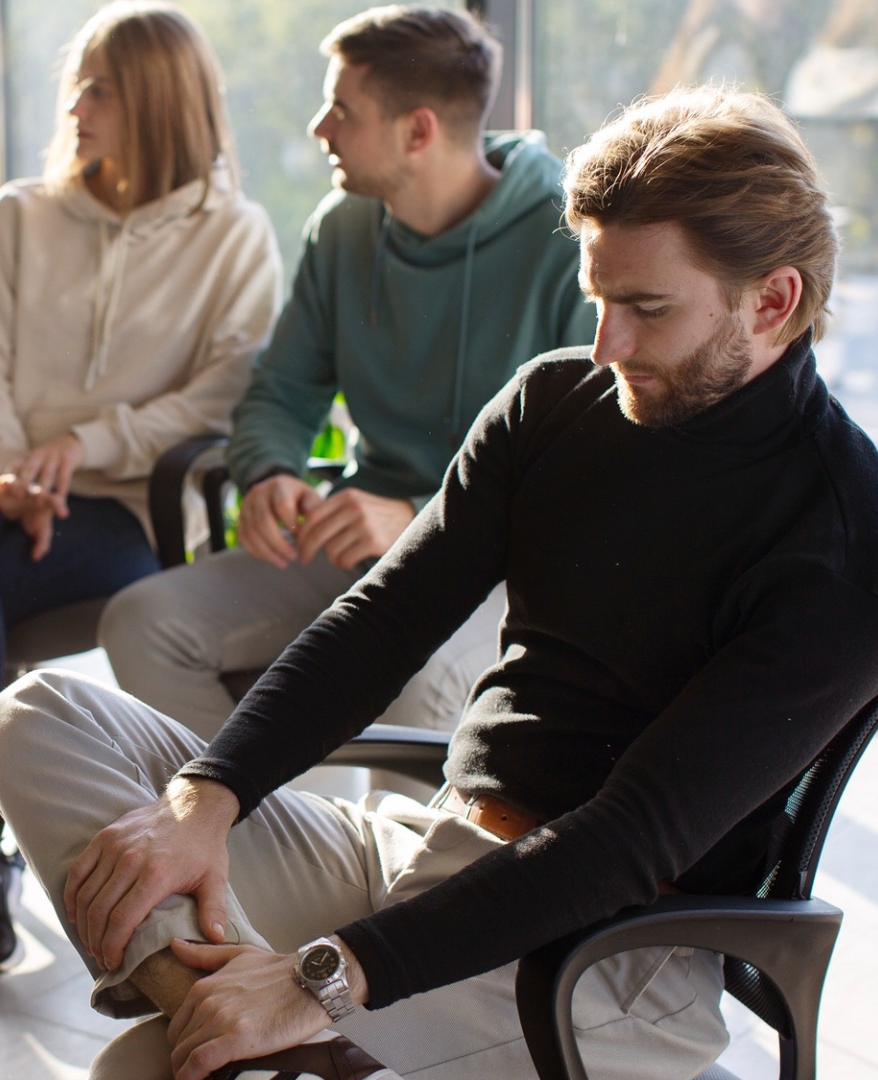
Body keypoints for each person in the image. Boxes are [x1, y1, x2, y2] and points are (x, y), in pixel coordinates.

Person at [0, 86, 878, 1080]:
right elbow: (382, 621)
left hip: (611, 952)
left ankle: (262, 1029)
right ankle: (245, 1020)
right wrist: (208, 800)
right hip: (430, 851)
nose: (607, 346)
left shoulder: (851, 548)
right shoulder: (557, 404)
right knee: (34, 716)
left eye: (647, 310)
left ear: (772, 301)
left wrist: (324, 978)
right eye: (598, 299)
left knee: (143, 1072)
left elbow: (631, 836)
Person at [0, 0, 282, 1009]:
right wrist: (8, 473)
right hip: (0, 497)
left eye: (101, 88)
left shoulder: (236, 237)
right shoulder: (20, 213)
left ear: (156, 104)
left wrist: (82, 448)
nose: (76, 105)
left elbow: (220, 398)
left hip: (125, 516)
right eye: (77, 83)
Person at [99, 5, 595, 744]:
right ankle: (245, 846)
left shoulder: (569, 242)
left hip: (504, 566)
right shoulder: (342, 227)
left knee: (417, 685)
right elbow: (284, 389)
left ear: (418, 130)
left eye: (341, 109)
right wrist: (269, 469)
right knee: (142, 623)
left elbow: (586, 472)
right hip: (359, 540)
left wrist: (431, 514)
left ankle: (348, 857)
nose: (318, 127)